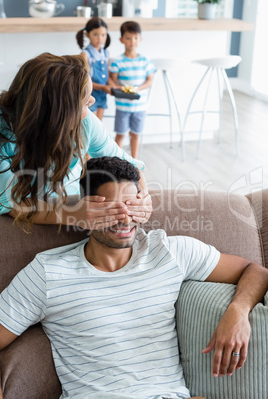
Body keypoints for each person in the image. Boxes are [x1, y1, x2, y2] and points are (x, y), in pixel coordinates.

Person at [0, 156, 267, 399]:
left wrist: (238, 311)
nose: (125, 218)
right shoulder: (48, 273)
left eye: (131, 205)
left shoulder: (170, 252)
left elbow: (255, 271)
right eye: (113, 209)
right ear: (87, 209)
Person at [0, 53, 152, 229]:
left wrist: (143, 197)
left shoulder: (85, 123)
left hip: (64, 194)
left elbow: (128, 164)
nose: (93, 101)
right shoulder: (4, 137)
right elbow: (11, 203)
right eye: (85, 101)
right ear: (58, 115)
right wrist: (71, 214)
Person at [109, 21, 155, 159]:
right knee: (120, 134)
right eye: (128, 38)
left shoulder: (145, 60)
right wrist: (120, 88)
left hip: (140, 106)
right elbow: (112, 80)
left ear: (140, 39)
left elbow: (150, 80)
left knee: (135, 134)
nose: (132, 41)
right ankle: (117, 161)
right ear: (121, 40)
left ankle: (135, 161)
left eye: (135, 38)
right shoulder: (117, 61)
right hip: (123, 106)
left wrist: (137, 89)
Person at [76, 18, 112, 121]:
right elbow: (83, 80)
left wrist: (114, 87)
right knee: (91, 124)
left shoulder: (106, 53)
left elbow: (107, 74)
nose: (100, 38)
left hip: (102, 94)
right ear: (87, 34)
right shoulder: (85, 54)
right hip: (90, 95)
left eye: (103, 35)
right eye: (95, 34)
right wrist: (103, 87)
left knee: (99, 124)